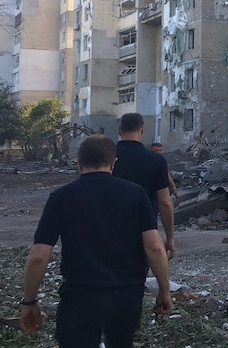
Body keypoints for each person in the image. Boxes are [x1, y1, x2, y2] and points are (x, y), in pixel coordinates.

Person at [20, 135, 172, 347]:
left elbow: (38, 256)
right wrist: (164, 291)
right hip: (126, 296)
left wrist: (30, 301)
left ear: (79, 164)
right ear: (113, 163)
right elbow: (155, 247)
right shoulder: (136, 194)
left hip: (79, 297)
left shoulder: (61, 197)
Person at [113, 113, 175, 260]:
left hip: (108, 226)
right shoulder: (156, 160)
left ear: (119, 130)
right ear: (142, 129)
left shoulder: (107, 156)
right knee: (138, 273)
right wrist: (170, 237)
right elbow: (165, 202)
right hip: (143, 227)